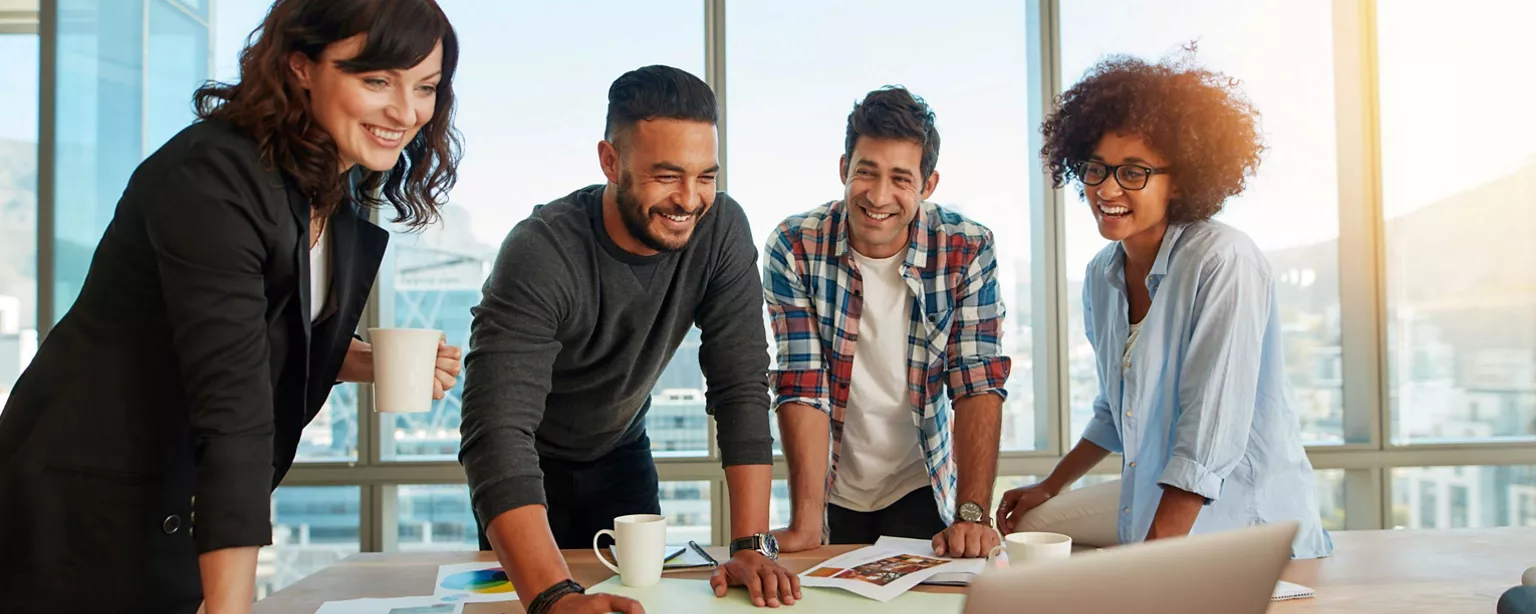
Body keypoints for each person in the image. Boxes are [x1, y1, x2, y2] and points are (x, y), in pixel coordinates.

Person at [0, 1, 464, 612]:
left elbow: (259, 334)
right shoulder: (213, 174)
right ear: (302, 66)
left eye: (425, 87)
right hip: (78, 514)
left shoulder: (329, 196)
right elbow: (234, 411)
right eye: (376, 79)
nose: (405, 112)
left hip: (171, 510)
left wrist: (363, 362)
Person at [459, 64, 798, 614]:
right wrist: (551, 598)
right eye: (667, 176)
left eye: (705, 176)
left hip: (621, 454)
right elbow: (495, 430)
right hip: (525, 468)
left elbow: (740, 385)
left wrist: (750, 545)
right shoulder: (540, 252)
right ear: (610, 161)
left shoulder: (720, 231)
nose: (689, 200)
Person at [996, 52, 1333, 559]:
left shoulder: (1224, 260)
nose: (1107, 189)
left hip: (1244, 516)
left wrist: (1152, 564)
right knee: (1034, 523)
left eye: (1133, 172)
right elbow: (1115, 412)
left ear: (1180, 180)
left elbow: (1208, 436)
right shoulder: (1100, 275)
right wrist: (1051, 484)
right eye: (1096, 169)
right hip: (1159, 493)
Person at [763, 86, 1011, 559]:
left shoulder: (967, 247)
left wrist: (972, 514)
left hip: (919, 481)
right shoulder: (795, 245)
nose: (878, 196)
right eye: (865, 172)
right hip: (832, 487)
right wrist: (807, 520)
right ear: (843, 169)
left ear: (928, 184)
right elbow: (803, 384)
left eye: (900, 178)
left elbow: (976, 381)